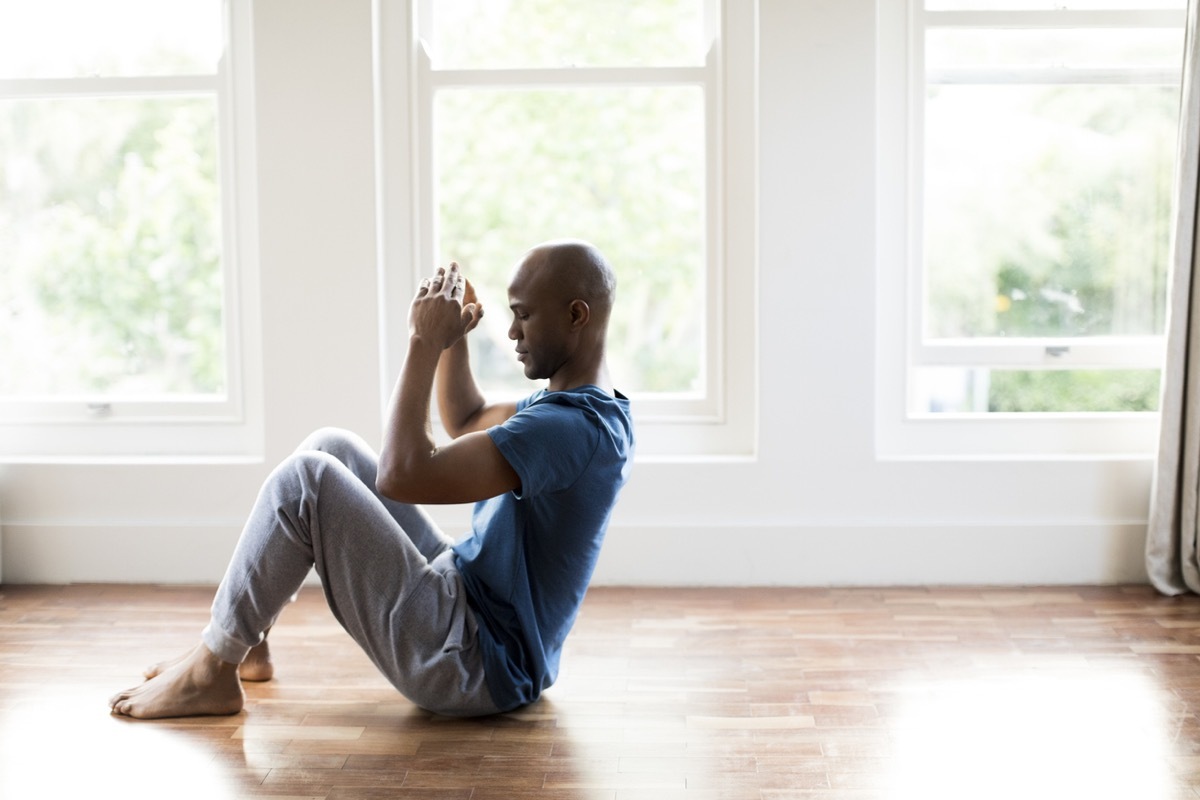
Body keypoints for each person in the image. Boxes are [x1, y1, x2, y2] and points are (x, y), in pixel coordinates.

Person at [108, 239, 634, 719]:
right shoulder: (582, 409)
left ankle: (211, 671)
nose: (514, 332)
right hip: (470, 602)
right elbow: (468, 417)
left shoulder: (567, 429)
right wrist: (453, 337)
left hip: (472, 659)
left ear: (576, 315)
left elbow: (404, 473)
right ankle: (241, 643)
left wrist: (423, 343)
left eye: (523, 316)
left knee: (306, 481)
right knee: (329, 446)